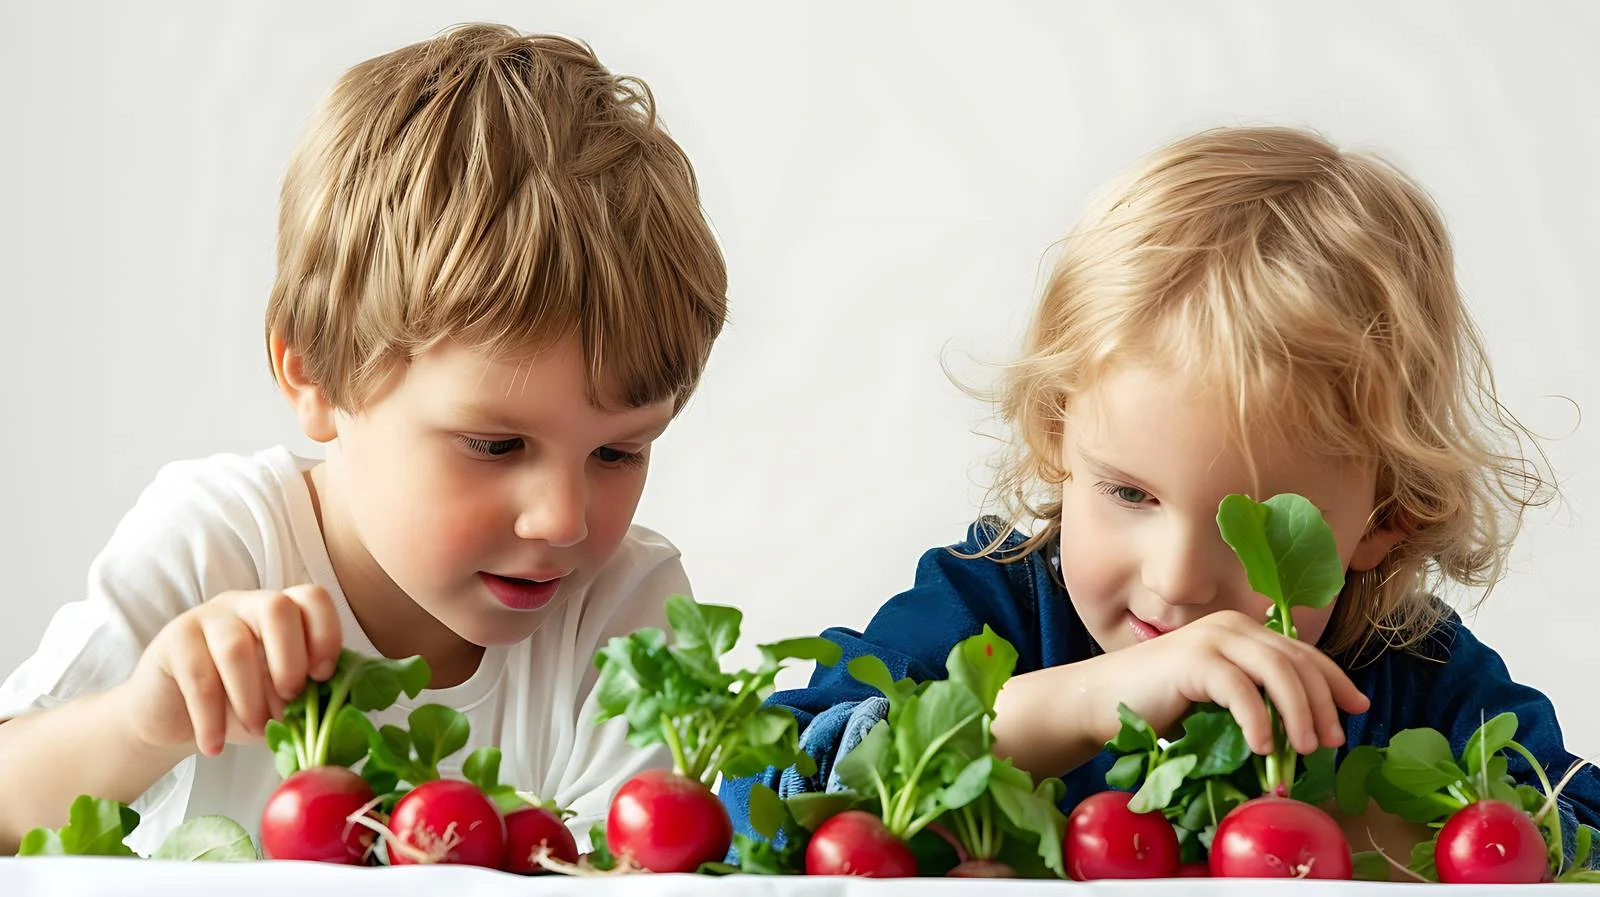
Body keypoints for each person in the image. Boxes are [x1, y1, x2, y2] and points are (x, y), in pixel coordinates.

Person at [719, 125, 1599, 866]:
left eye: (1254, 529)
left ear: (1385, 519)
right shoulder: (985, 606)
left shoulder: (1419, 680)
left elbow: (1582, 827)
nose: (1177, 580)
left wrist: (1358, 832)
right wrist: (1075, 701)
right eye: (1130, 492)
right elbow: (763, 794)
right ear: (1058, 437)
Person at [0, 22, 728, 855]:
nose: (561, 520)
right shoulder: (220, 545)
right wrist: (139, 722)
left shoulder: (626, 611)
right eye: (494, 445)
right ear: (314, 375)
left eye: (618, 452)